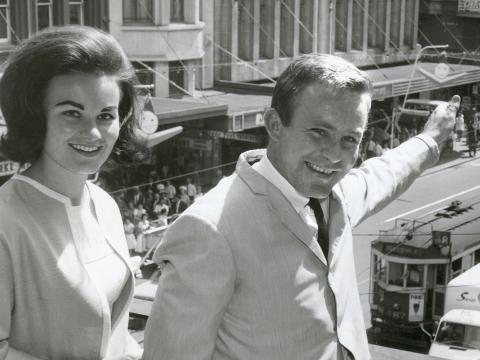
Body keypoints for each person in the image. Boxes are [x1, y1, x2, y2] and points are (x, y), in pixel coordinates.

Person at [142, 54, 458, 360]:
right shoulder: (209, 229)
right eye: (319, 132)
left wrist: (431, 139)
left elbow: (387, 172)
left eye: (349, 139)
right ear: (275, 125)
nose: (333, 155)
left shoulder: (339, 197)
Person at [0, 26, 148, 359]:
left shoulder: (106, 205)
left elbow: (115, 331)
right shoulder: (5, 221)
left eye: (106, 115)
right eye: (71, 112)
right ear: (35, 116)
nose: (92, 131)